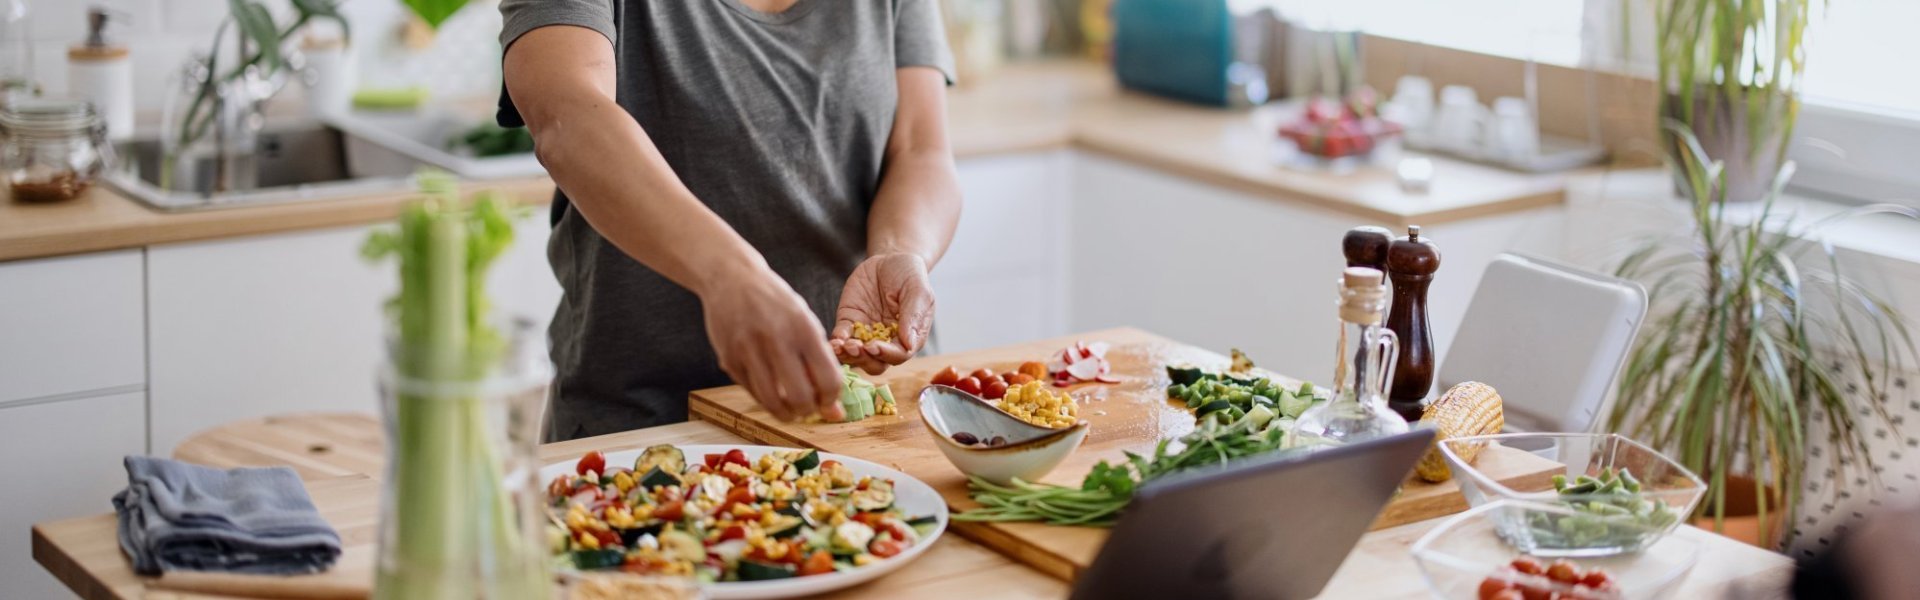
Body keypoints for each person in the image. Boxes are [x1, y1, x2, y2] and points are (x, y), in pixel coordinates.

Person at [496, 0, 961, 441]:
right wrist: (728, 275)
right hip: (653, 421)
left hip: (871, 415)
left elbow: (922, 149)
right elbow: (566, 115)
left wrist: (901, 250)